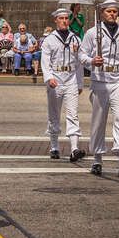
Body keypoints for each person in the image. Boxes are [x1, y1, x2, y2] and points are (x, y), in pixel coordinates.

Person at [79, 0, 119, 178]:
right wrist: (91, 61)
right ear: (102, 13)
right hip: (100, 78)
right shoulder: (92, 33)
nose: (112, 14)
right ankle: (97, 158)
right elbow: (81, 54)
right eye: (108, 11)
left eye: (115, 11)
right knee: (99, 120)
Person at [41, 9, 85, 161]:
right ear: (56, 20)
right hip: (56, 78)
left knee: (73, 114)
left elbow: (79, 63)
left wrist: (80, 83)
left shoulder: (75, 39)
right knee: (54, 114)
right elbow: (45, 62)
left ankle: (74, 148)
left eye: (66, 18)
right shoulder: (49, 40)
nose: (64, 21)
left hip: (71, 77)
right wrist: (49, 78)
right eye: (61, 18)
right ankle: (54, 146)